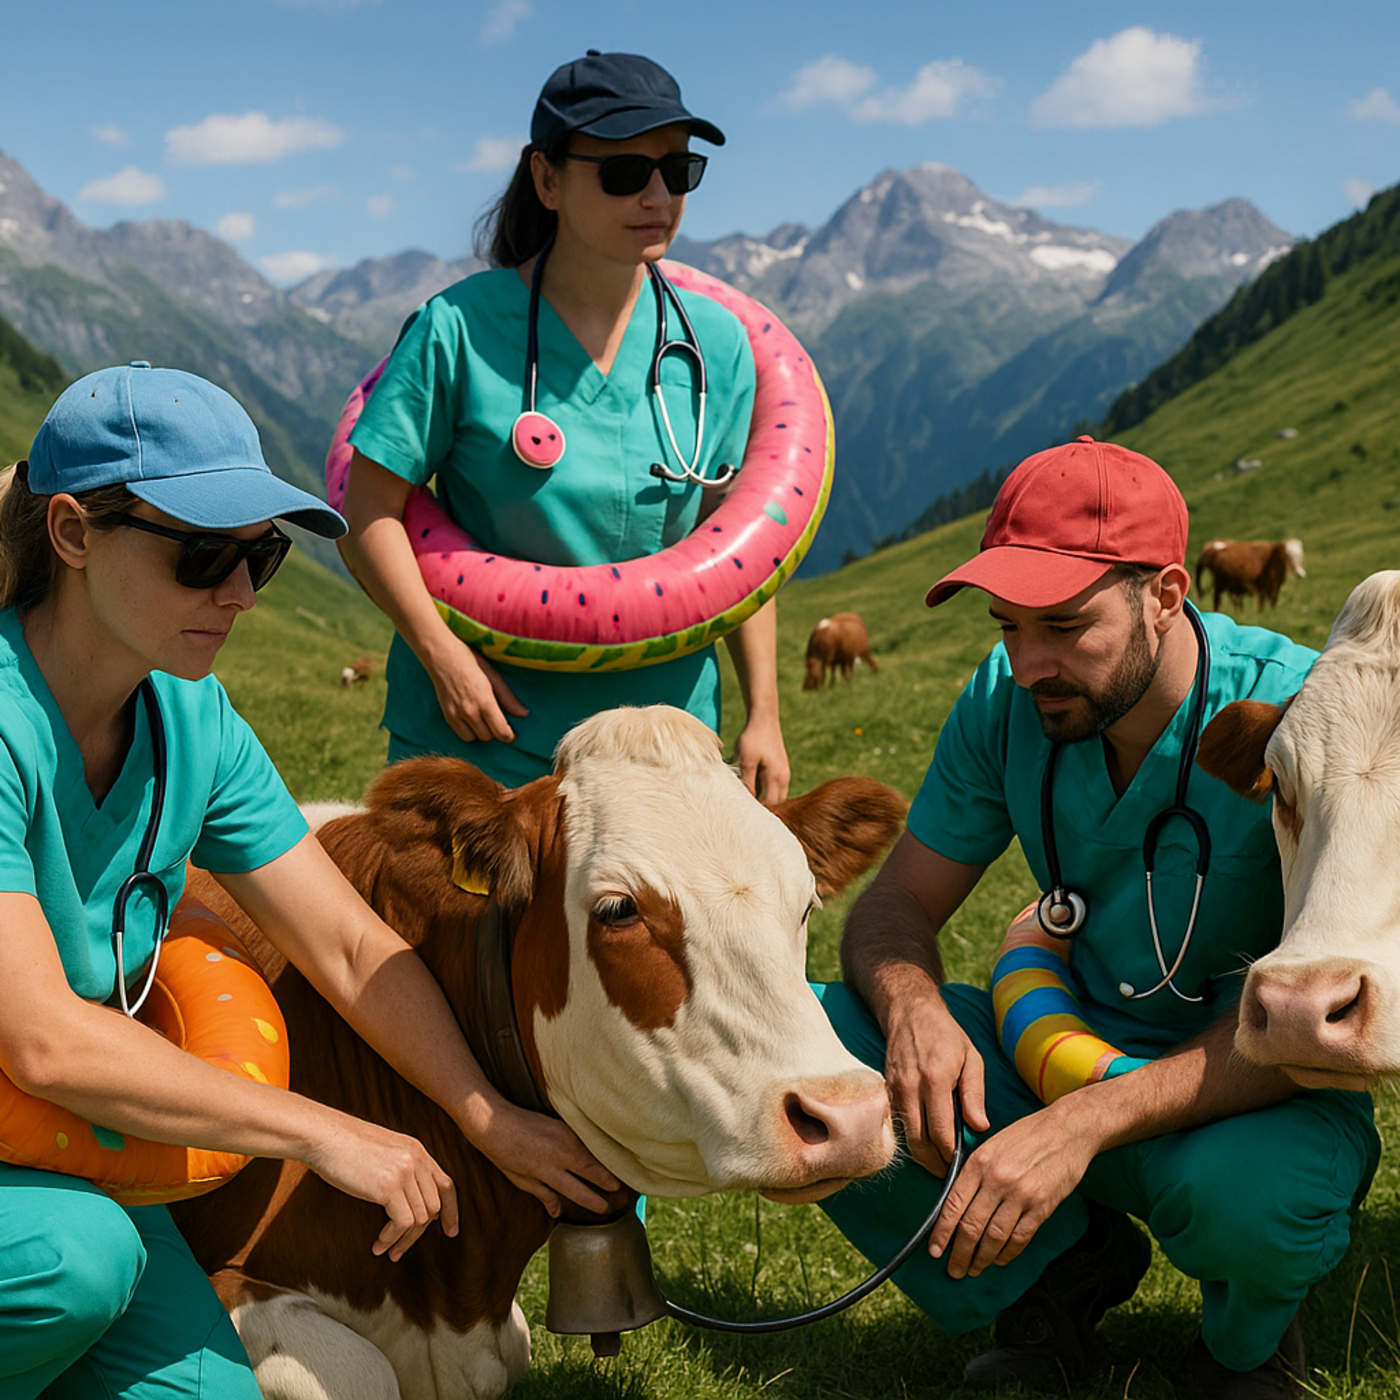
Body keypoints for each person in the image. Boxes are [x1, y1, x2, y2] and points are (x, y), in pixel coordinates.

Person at [0, 362, 620, 1400]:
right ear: (70, 533)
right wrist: (327, 1130)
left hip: (68, 1150)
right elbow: (42, 1034)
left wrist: (482, 1115)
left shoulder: (192, 722)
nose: (239, 593)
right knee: (76, 1267)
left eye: (264, 556)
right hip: (54, 1180)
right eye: (204, 554)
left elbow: (348, 945)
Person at [814, 436, 1379, 1398]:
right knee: (837, 1045)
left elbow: (1323, 1019)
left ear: (1164, 595)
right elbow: (895, 906)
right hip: (1052, 1051)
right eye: (1007, 628)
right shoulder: (1008, 701)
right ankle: (1059, 1278)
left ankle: (1247, 1341)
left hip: (1248, 1085)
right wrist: (914, 1014)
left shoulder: (1307, 714)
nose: (1030, 664)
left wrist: (1081, 1126)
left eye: (1067, 626)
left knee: (1261, 1197)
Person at [339, 50, 790, 801]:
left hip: (664, 742)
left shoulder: (717, 346)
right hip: (481, 742)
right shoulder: (457, 329)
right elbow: (369, 513)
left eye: (677, 171)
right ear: (546, 179)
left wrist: (764, 714)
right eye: (623, 173)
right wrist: (440, 653)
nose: (657, 195)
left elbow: (735, 542)